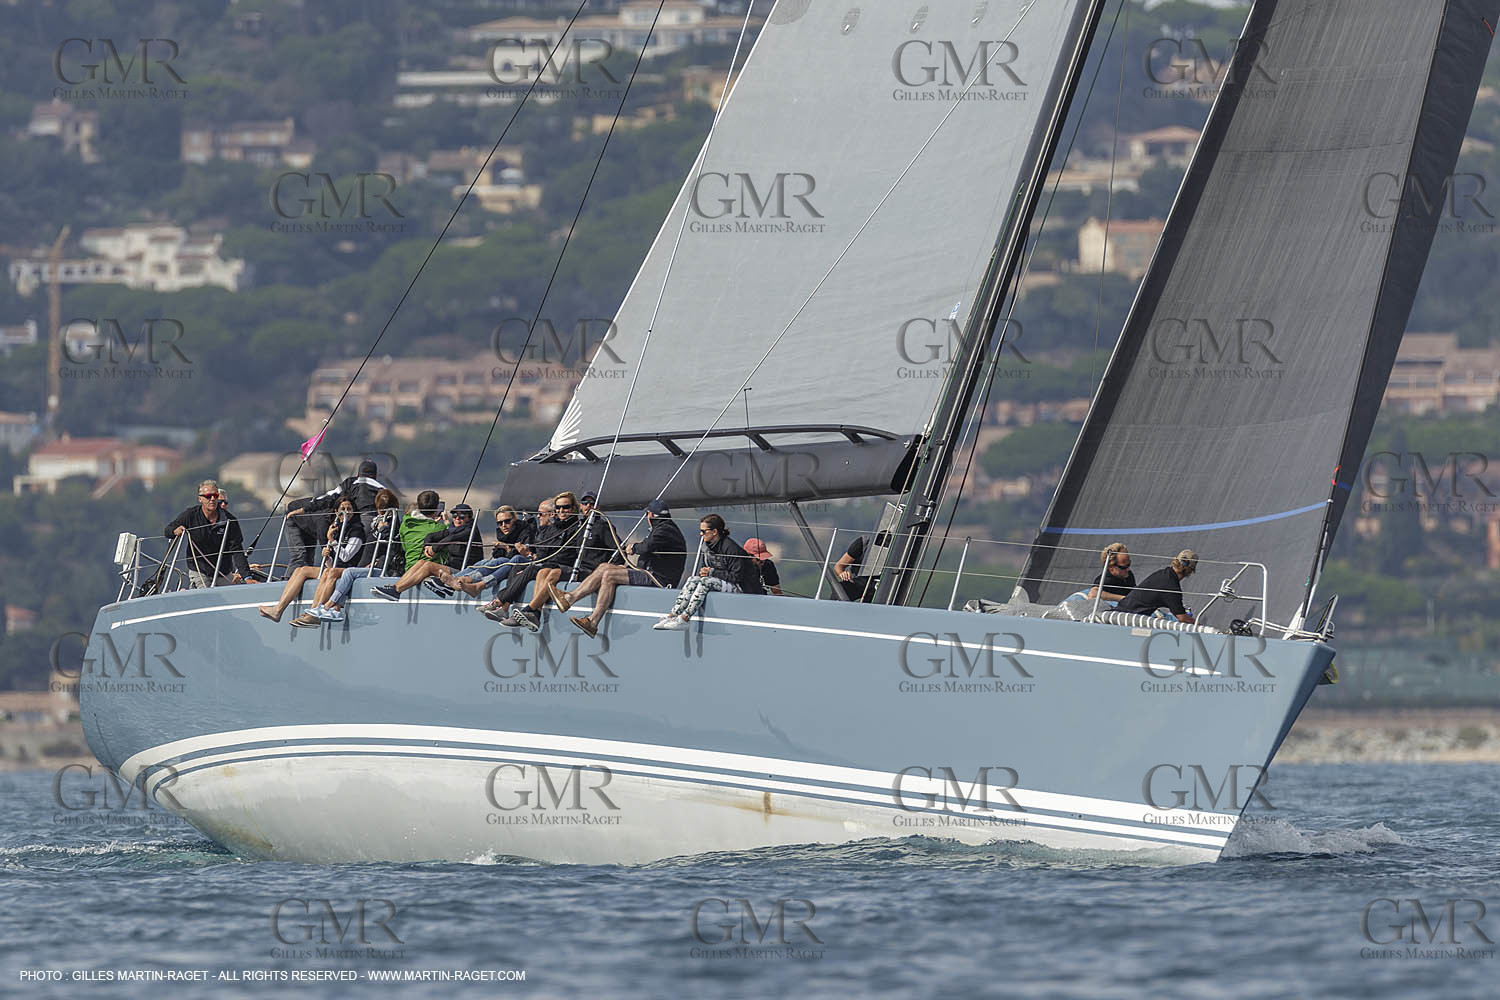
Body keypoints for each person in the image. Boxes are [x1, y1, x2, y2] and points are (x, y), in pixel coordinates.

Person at [551, 499, 686, 637]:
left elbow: (647, 546)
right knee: (604, 567)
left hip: (657, 578)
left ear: (650, 515)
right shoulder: (664, 528)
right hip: (649, 572)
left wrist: (633, 548)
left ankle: (593, 621)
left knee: (610, 575)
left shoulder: (665, 530)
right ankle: (570, 598)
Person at [261, 500, 367, 626]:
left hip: (350, 569)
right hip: (336, 569)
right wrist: (327, 557)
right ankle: (278, 610)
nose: (345, 511)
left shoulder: (357, 531)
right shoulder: (336, 529)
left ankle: (314, 613)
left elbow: (346, 557)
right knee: (301, 570)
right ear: (336, 512)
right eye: (342, 508)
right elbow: (333, 564)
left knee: (329, 572)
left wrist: (332, 541)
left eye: (349, 508)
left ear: (354, 512)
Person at [494, 492, 590, 631]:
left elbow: (568, 554)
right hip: (551, 564)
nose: (561, 511)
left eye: (565, 507)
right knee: (541, 571)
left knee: (545, 570)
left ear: (574, 508)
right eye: (558, 508)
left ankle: (525, 608)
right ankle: (533, 614)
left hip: (569, 567)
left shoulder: (579, 527)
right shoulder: (555, 527)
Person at [304, 489, 402, 623]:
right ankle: (327, 609)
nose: (380, 511)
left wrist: (332, 541)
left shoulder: (389, 524)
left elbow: (393, 548)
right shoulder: (375, 523)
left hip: (379, 568)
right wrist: (327, 555)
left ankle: (327, 607)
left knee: (347, 573)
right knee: (323, 571)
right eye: (379, 508)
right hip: (365, 565)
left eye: (382, 509)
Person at [653, 514, 763, 631]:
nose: (701, 534)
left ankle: (685, 619)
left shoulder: (731, 548)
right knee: (692, 579)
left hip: (741, 587)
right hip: (723, 581)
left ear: (714, 531)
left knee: (706, 582)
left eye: (703, 531)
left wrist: (712, 572)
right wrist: (705, 572)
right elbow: (705, 569)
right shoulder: (706, 547)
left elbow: (737, 577)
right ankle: (673, 615)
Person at [165, 480, 251, 588]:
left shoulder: (229, 520)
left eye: (215, 496)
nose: (212, 499)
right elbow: (167, 530)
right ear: (200, 499)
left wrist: (247, 577)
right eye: (208, 496)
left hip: (223, 572)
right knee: (206, 596)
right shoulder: (190, 515)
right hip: (200, 570)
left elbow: (237, 550)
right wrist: (175, 531)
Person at [370, 491, 451, 602]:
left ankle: (395, 589)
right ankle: (396, 590)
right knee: (425, 564)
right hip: (427, 570)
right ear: (437, 507)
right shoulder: (439, 528)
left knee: (423, 563)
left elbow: (404, 547)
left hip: (409, 570)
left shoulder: (406, 524)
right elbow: (449, 546)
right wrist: (446, 523)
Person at [453, 505, 535, 598]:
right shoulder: (502, 534)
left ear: (514, 520)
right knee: (484, 562)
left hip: (521, 566)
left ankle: (469, 580)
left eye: (507, 521)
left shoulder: (525, 531)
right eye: (500, 523)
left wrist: (507, 548)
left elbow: (522, 556)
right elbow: (496, 554)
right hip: (507, 565)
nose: (503, 525)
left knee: (501, 561)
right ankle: (455, 578)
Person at [1113, 549, 1198, 623]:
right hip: (1129, 618)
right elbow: (1182, 618)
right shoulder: (1172, 588)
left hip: (1121, 609)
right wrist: (1198, 624)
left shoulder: (1162, 573)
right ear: (1189, 571)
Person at [1060, 542, 1135, 608]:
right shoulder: (1106, 579)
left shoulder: (1128, 575)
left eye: (1129, 564)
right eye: (1124, 567)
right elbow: (1093, 594)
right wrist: (1123, 598)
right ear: (1111, 568)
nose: (1128, 569)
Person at [834, 535, 877, 602]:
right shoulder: (863, 543)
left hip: (882, 584)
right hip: (858, 581)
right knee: (841, 589)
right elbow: (838, 566)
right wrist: (842, 573)